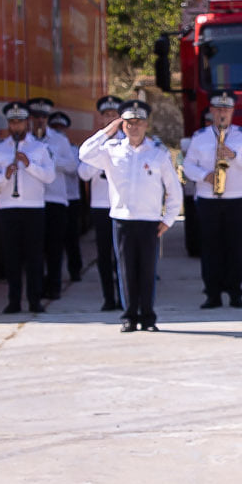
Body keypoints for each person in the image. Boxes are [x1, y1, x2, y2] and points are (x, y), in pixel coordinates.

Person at [79, 100, 179, 331]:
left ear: (145, 124)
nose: (134, 127)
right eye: (128, 123)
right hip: (123, 220)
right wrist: (107, 130)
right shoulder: (111, 151)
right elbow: (84, 153)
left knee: (147, 271)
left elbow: (174, 190)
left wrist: (168, 220)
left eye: (138, 123)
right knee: (126, 271)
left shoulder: (158, 154)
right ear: (123, 125)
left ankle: (148, 317)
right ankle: (130, 317)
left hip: (150, 221)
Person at [181, 91, 242, 309]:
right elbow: (188, 166)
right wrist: (204, 175)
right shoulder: (200, 137)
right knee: (210, 247)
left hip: (236, 197)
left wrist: (234, 156)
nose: (223, 113)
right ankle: (212, 294)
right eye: (218, 109)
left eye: (227, 109)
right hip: (208, 198)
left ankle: (235, 293)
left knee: (234, 246)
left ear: (232, 112)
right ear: (211, 112)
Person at [0, 101, 55, 314]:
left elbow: (49, 176)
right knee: (11, 257)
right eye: (12, 123)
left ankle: (35, 300)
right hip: (8, 207)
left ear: (27, 123)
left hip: (33, 208)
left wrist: (29, 164)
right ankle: (14, 301)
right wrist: (4, 175)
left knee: (34, 256)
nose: (16, 126)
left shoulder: (40, 148)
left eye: (20, 122)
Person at [24, 98, 76, 302]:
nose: (40, 121)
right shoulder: (25, 141)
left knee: (54, 247)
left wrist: (51, 160)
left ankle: (54, 286)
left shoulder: (59, 140)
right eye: (36, 117)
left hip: (55, 199)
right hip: (32, 201)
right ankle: (36, 288)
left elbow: (72, 167)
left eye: (43, 117)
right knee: (35, 250)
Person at [78, 95, 125, 311]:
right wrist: (101, 159)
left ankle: (126, 297)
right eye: (106, 116)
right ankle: (108, 297)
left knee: (122, 256)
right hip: (100, 206)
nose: (110, 119)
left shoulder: (127, 141)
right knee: (104, 256)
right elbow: (84, 173)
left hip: (123, 206)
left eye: (114, 115)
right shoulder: (94, 145)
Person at [47, 112, 86, 287]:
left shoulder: (73, 149)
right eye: (55, 127)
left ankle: (75, 269)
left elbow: (74, 169)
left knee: (72, 237)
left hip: (72, 197)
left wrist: (53, 161)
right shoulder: (47, 145)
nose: (59, 130)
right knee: (54, 240)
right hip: (56, 199)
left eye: (61, 127)